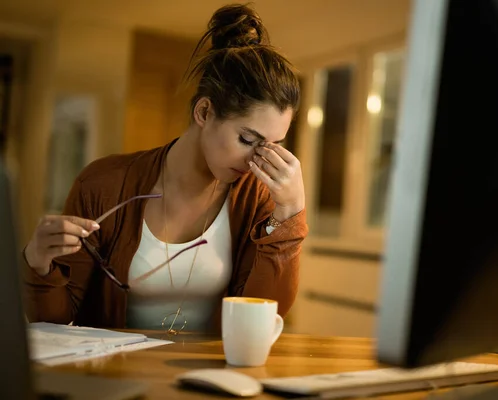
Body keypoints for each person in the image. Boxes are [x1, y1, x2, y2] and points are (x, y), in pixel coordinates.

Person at [21, 3, 308, 334]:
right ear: (204, 112)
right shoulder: (104, 184)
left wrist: (290, 214)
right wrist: (37, 260)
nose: (258, 161)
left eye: (273, 146)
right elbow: (54, 320)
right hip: (115, 378)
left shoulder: (257, 198)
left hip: (208, 377)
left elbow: (262, 319)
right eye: (247, 139)